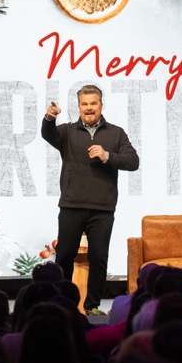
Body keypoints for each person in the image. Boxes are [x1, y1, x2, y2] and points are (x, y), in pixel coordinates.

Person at [42, 85, 140, 315]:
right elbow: (48, 134)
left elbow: (133, 161)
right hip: (71, 205)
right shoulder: (66, 131)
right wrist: (49, 118)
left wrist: (107, 156)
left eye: (93, 103)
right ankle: (62, 302)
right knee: (65, 254)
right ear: (78, 107)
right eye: (84, 104)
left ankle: (92, 306)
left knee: (99, 257)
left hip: (102, 208)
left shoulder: (116, 133)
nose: (89, 108)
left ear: (101, 105)